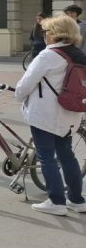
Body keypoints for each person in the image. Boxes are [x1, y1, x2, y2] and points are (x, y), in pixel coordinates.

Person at [14, 14, 86, 216]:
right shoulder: (78, 55)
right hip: (70, 113)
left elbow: (25, 85)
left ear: (54, 33)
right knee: (67, 155)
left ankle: (56, 201)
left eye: (45, 31)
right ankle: (76, 199)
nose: (44, 35)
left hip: (45, 114)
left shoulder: (48, 56)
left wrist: (19, 98)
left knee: (46, 157)